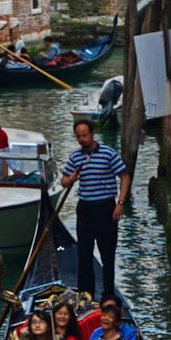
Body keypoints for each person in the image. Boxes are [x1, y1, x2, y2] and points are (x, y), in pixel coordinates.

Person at [60, 118, 130, 296]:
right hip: (85, 210)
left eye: (84, 135)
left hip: (106, 209)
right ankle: (86, 296)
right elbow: (63, 182)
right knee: (84, 255)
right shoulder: (76, 157)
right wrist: (70, 179)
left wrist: (120, 204)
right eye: (78, 137)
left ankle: (108, 295)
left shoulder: (108, 153)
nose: (81, 139)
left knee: (107, 255)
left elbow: (125, 177)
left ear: (92, 134)